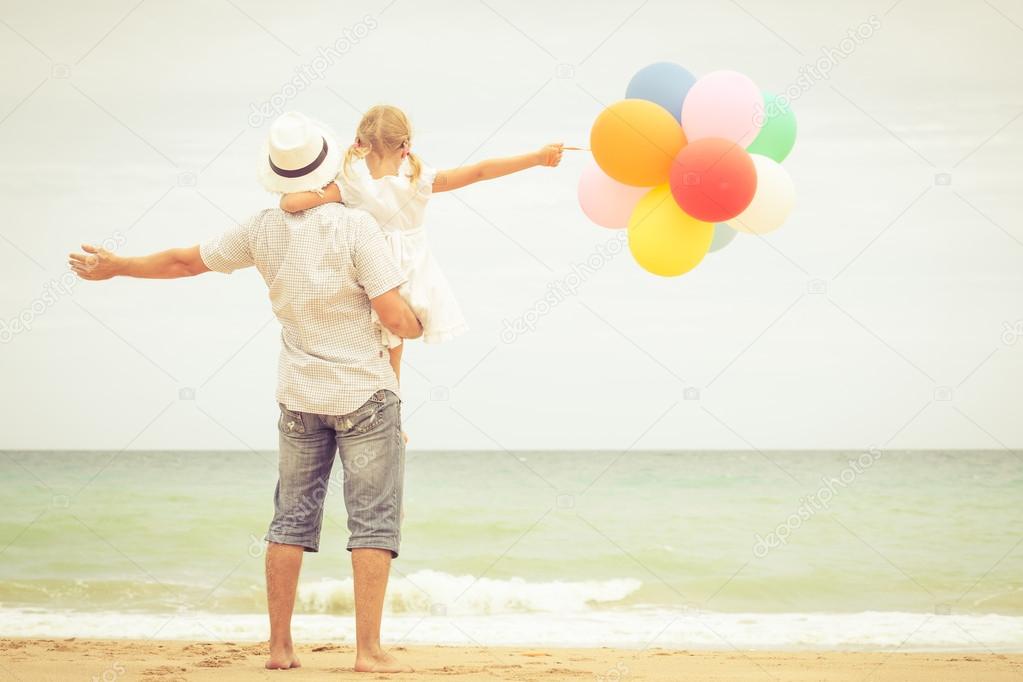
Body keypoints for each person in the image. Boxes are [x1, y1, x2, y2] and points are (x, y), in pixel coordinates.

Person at [68, 111, 420, 674]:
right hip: (365, 395)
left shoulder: (261, 230)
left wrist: (116, 267)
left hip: (300, 395)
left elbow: (187, 261)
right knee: (372, 523)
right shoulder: (358, 227)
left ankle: (280, 650)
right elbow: (393, 316)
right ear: (329, 163)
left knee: (290, 521)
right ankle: (367, 652)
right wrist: (422, 322)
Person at [280, 104, 563, 385]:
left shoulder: (352, 184)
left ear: (360, 145)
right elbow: (480, 171)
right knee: (394, 350)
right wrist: (537, 158)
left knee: (377, 348)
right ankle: (393, 411)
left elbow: (291, 204)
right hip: (413, 277)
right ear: (405, 146)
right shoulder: (418, 179)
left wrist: (316, 181)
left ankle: (372, 403)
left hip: (372, 271)